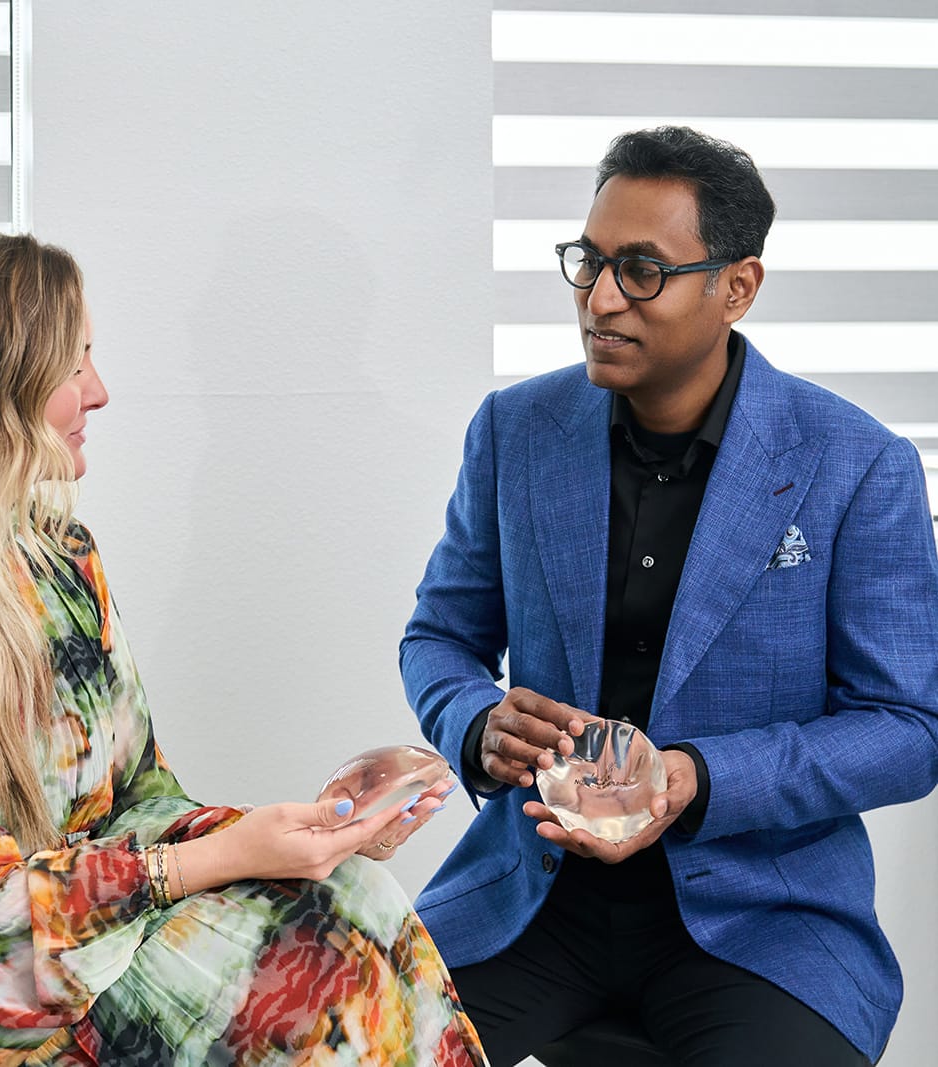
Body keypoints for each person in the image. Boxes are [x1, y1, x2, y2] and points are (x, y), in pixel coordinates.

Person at [0, 223, 486, 1066]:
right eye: (73, 362)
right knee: (315, 991)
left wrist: (308, 834)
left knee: (356, 893)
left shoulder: (58, 555)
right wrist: (224, 856)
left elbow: (139, 798)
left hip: (98, 944)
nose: (100, 392)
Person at [400, 126, 938, 1066]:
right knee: (330, 1045)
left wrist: (695, 776)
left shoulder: (857, 464)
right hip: (534, 893)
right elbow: (440, 636)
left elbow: (907, 725)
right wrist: (477, 726)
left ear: (737, 286)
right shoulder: (516, 430)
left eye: (642, 270)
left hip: (760, 915)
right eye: (590, 262)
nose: (600, 298)